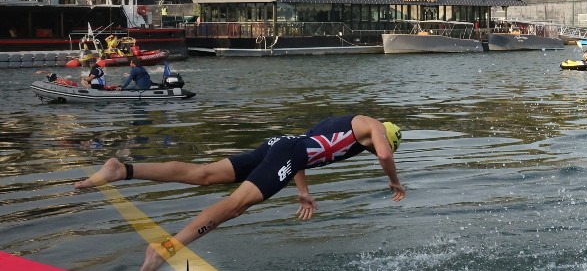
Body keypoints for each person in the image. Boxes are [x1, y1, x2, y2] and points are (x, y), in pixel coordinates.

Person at [74, 114, 405, 271]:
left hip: (281, 146)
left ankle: (122, 170)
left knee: (203, 174)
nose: (375, 153)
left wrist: (302, 191)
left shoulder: (341, 129)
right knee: (234, 206)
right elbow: (387, 156)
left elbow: (302, 151)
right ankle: (164, 249)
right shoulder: (370, 123)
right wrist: (394, 181)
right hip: (287, 152)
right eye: (376, 148)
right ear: (385, 135)